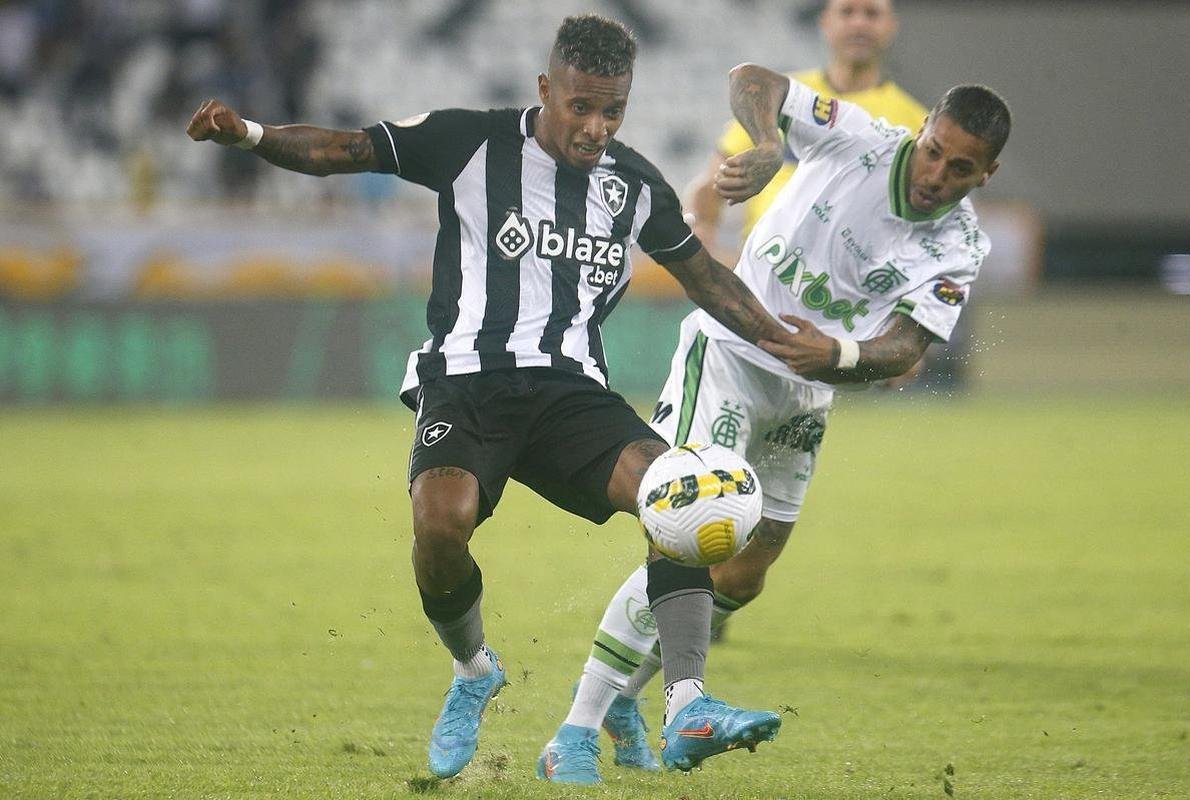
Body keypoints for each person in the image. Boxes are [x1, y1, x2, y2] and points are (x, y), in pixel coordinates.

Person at [187, 15, 838, 786]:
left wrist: (780, 338)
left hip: (570, 394)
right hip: (466, 382)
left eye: (613, 111)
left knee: (679, 495)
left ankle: (688, 701)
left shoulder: (633, 185)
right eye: (580, 107)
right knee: (440, 526)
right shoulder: (471, 142)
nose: (596, 128)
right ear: (545, 90)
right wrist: (250, 134)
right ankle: (473, 671)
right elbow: (344, 150)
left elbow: (706, 279)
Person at [556, 63, 1010, 774]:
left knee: (746, 570)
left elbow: (906, 347)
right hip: (732, 352)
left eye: (960, 168)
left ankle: (628, 696)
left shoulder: (960, 246)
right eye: (933, 151)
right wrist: (768, 143)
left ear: (984, 174)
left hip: (807, 386)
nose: (935, 175)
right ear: (921, 132)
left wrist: (840, 350)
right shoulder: (859, 137)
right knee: (689, 531)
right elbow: (752, 78)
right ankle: (580, 733)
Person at [689, 0, 926, 250]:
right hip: (759, 271)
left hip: (847, 281)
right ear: (825, 22)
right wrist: (702, 224)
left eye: (871, 14)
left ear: (891, 26)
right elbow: (711, 183)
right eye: (847, 12)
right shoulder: (779, 95)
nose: (859, 23)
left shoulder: (916, 125)